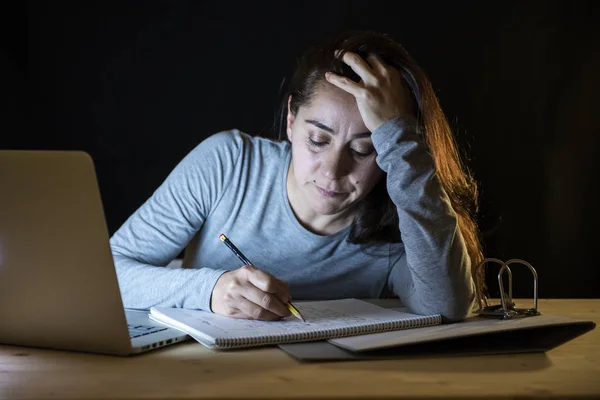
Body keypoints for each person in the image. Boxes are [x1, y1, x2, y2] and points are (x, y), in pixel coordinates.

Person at [109, 30, 484, 323]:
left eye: (363, 149)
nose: (332, 171)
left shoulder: (401, 230)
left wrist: (402, 144)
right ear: (291, 120)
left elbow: (448, 305)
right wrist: (210, 289)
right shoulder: (229, 164)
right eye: (318, 140)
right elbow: (109, 270)